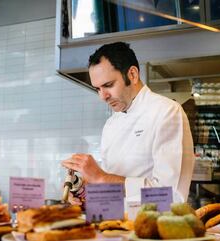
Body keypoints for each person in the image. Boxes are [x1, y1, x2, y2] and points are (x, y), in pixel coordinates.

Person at [62, 42, 194, 203]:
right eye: (97, 89)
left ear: (132, 74)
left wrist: (102, 178)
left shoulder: (166, 112)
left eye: (108, 85)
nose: (102, 97)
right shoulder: (111, 124)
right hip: (115, 225)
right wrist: (82, 190)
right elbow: (109, 186)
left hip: (153, 226)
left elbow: (171, 195)